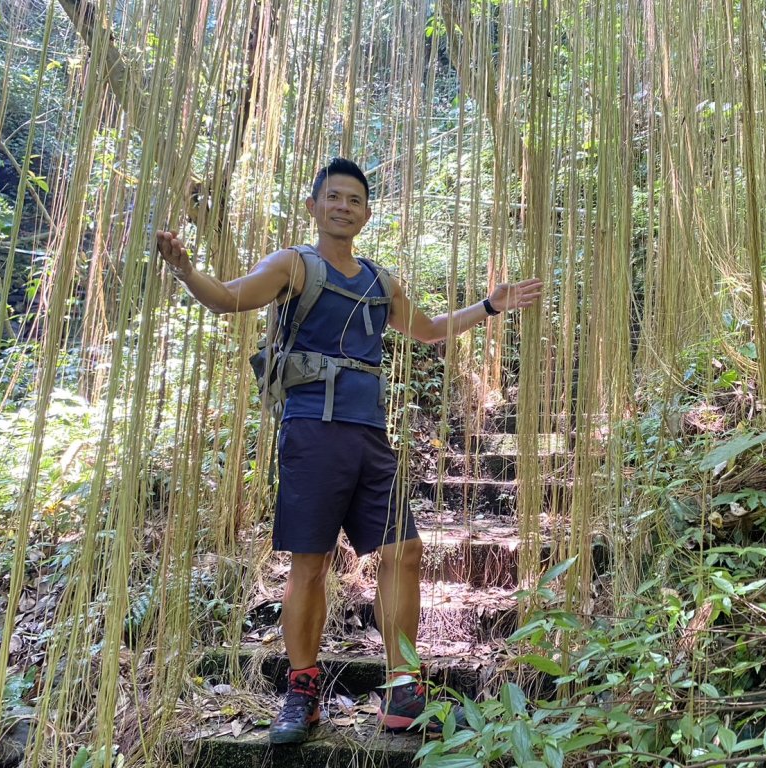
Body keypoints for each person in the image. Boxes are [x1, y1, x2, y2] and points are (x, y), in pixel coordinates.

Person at [156, 158, 542, 745]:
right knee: (310, 562)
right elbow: (228, 298)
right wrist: (187, 271)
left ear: (365, 213)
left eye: (354, 199)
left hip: (370, 437)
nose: (343, 206)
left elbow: (430, 329)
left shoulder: (380, 282)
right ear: (314, 207)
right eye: (332, 197)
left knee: (404, 552)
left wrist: (489, 306)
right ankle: (303, 690)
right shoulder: (293, 265)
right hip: (312, 433)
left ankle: (403, 691)